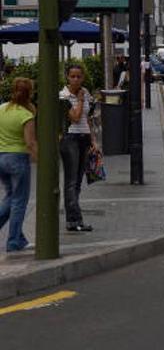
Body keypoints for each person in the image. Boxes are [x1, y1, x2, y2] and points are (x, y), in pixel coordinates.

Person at [0, 78, 37, 251]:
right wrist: (37, 158)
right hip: (18, 158)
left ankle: (19, 238)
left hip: (1, 157)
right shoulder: (26, 115)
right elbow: (29, 142)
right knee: (19, 201)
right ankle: (14, 241)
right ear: (30, 93)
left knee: (11, 197)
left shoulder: (1, 108)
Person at [60, 64, 96, 232]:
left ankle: (73, 219)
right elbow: (74, 118)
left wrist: (94, 141)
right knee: (71, 181)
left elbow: (87, 118)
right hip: (70, 139)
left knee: (78, 181)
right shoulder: (63, 96)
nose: (75, 79)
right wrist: (80, 99)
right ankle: (74, 220)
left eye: (79, 76)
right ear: (67, 77)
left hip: (84, 138)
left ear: (83, 77)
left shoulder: (86, 92)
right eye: (72, 76)